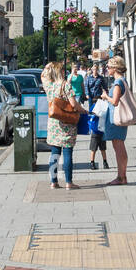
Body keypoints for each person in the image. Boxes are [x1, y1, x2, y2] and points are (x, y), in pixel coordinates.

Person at [41, 62, 80, 190]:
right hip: (67, 123)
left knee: (54, 153)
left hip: (54, 124)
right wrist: (83, 110)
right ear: (61, 72)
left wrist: (49, 65)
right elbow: (73, 104)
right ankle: (69, 182)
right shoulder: (65, 85)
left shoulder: (49, 85)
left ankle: (53, 182)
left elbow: (42, 75)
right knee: (68, 153)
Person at [101, 56, 131, 186]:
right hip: (116, 118)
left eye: (108, 67)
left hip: (116, 119)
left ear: (115, 68)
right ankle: (121, 176)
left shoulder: (118, 83)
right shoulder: (122, 81)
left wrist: (106, 96)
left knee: (118, 146)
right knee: (118, 145)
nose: (107, 69)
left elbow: (115, 101)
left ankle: (121, 177)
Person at [85, 64, 110, 170]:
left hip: (98, 98)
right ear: (91, 70)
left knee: (97, 147)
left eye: (96, 69)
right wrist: (87, 94)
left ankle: (100, 162)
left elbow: (104, 86)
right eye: (93, 69)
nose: (95, 71)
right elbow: (86, 87)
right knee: (99, 146)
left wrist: (105, 93)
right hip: (91, 98)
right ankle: (101, 162)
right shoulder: (88, 78)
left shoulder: (100, 78)